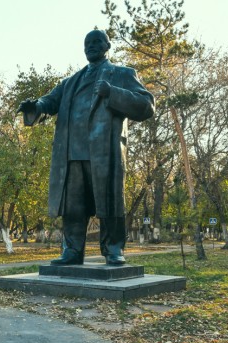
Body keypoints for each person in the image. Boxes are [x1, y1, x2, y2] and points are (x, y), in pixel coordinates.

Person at [18, 29, 155, 266]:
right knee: (73, 206)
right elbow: (50, 101)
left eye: (97, 41)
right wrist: (36, 105)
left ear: (107, 45)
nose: (92, 45)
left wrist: (112, 93)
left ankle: (113, 249)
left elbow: (146, 105)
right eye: (87, 43)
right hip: (71, 153)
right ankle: (72, 250)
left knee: (109, 202)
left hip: (103, 152)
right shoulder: (70, 82)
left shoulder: (121, 74)